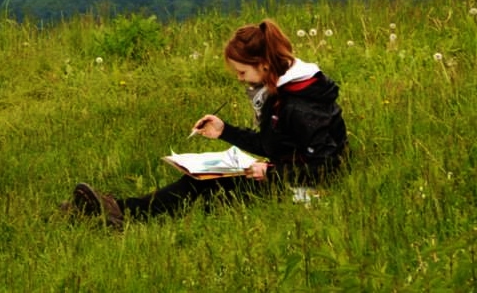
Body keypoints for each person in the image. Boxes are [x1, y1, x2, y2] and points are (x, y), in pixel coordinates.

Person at [66, 19, 348, 227]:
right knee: (205, 185)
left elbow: (327, 166)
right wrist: (224, 130)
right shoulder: (281, 93)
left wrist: (271, 173)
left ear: (263, 64)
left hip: (304, 191)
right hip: (285, 175)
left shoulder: (300, 104)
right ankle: (112, 210)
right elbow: (272, 144)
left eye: (241, 71)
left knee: (202, 185)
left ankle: (117, 214)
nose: (239, 78)